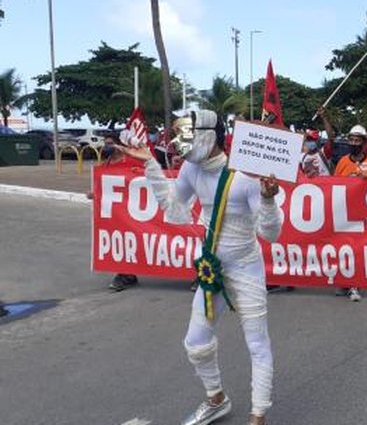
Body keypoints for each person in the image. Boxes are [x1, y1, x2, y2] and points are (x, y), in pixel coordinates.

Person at [122, 110, 281, 425]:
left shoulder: (247, 175)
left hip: (246, 268)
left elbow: (270, 234)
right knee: (195, 343)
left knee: (257, 343)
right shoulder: (191, 170)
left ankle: (258, 415)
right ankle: (216, 400)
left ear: (210, 136)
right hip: (213, 269)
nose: (184, 143)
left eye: (190, 135)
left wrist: (267, 200)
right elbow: (174, 208)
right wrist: (150, 163)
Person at [334, 125, 367, 302]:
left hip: (363, 213)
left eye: (357, 140)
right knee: (343, 247)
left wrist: (365, 182)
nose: (353, 143)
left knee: (358, 248)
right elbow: (334, 184)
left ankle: (355, 284)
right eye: (351, 140)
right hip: (344, 211)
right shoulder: (342, 162)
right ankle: (345, 281)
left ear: (364, 143)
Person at [92, 134, 144, 292]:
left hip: (133, 209)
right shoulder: (105, 165)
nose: (107, 146)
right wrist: (93, 193)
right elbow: (100, 187)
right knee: (120, 241)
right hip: (115, 213)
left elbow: (146, 179)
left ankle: (130, 272)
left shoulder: (132, 162)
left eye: (111, 143)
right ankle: (125, 273)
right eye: (105, 143)